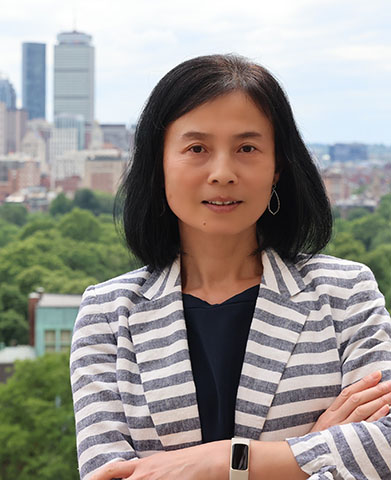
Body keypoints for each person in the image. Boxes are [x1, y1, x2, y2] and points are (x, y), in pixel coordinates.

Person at [70, 54, 391, 480]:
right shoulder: (108, 313)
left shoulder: (344, 293)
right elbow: (109, 476)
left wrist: (222, 462)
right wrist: (307, 454)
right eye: (197, 148)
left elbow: (385, 445)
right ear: (159, 163)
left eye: (247, 148)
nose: (222, 173)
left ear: (277, 167)